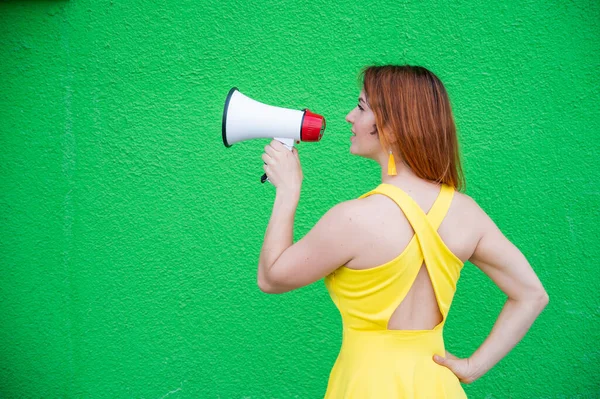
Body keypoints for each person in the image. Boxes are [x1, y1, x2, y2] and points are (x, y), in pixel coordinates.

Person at [257, 64, 549, 398]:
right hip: (438, 386)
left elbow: (271, 278)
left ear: (393, 128)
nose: (350, 116)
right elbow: (532, 294)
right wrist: (472, 367)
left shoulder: (354, 219)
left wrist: (288, 190)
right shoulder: (467, 214)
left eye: (362, 107)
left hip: (366, 386)